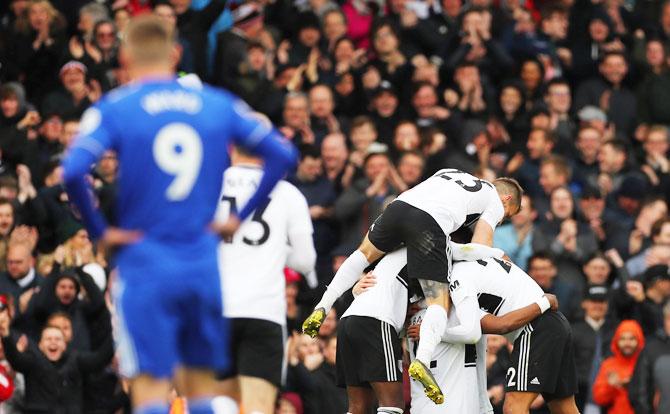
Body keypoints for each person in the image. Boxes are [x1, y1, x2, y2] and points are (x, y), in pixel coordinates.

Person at [61, 15, 297, 414]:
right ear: (176, 53)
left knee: (153, 389)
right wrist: (239, 217)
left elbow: (71, 170)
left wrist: (101, 229)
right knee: (202, 388)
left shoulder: (116, 107)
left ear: (124, 57)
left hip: (145, 263)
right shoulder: (216, 103)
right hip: (201, 262)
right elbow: (282, 155)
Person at [303, 169, 522, 403]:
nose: (502, 219)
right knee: (439, 299)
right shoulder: (494, 199)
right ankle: (423, 361)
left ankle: (323, 305)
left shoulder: (450, 173)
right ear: (506, 199)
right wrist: (494, 256)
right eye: (507, 216)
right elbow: (480, 243)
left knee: (361, 254)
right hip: (430, 223)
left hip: (399, 206)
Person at [216, 145, 317, 414]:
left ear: (231, 147)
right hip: (263, 311)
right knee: (258, 408)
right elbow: (305, 261)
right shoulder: (287, 192)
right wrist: (277, 249)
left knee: (218, 405)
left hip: (214, 309)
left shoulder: (209, 185)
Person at [593, 320, 646, 414]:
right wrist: (611, 386)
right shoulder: (608, 365)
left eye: (632, 339)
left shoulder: (645, 364)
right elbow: (598, 398)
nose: (627, 343)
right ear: (616, 341)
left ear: (639, 340)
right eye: (623, 339)